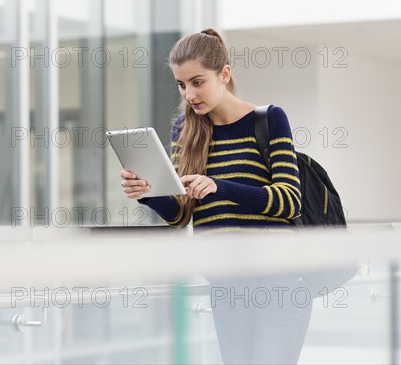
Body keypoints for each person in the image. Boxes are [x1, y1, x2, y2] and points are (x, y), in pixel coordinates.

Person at [120, 28, 312, 364]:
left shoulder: (268, 120)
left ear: (224, 74)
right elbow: (180, 214)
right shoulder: (185, 130)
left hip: (279, 278)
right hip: (226, 282)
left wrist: (220, 186)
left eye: (198, 81)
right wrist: (148, 192)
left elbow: (288, 199)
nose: (189, 93)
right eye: (182, 84)